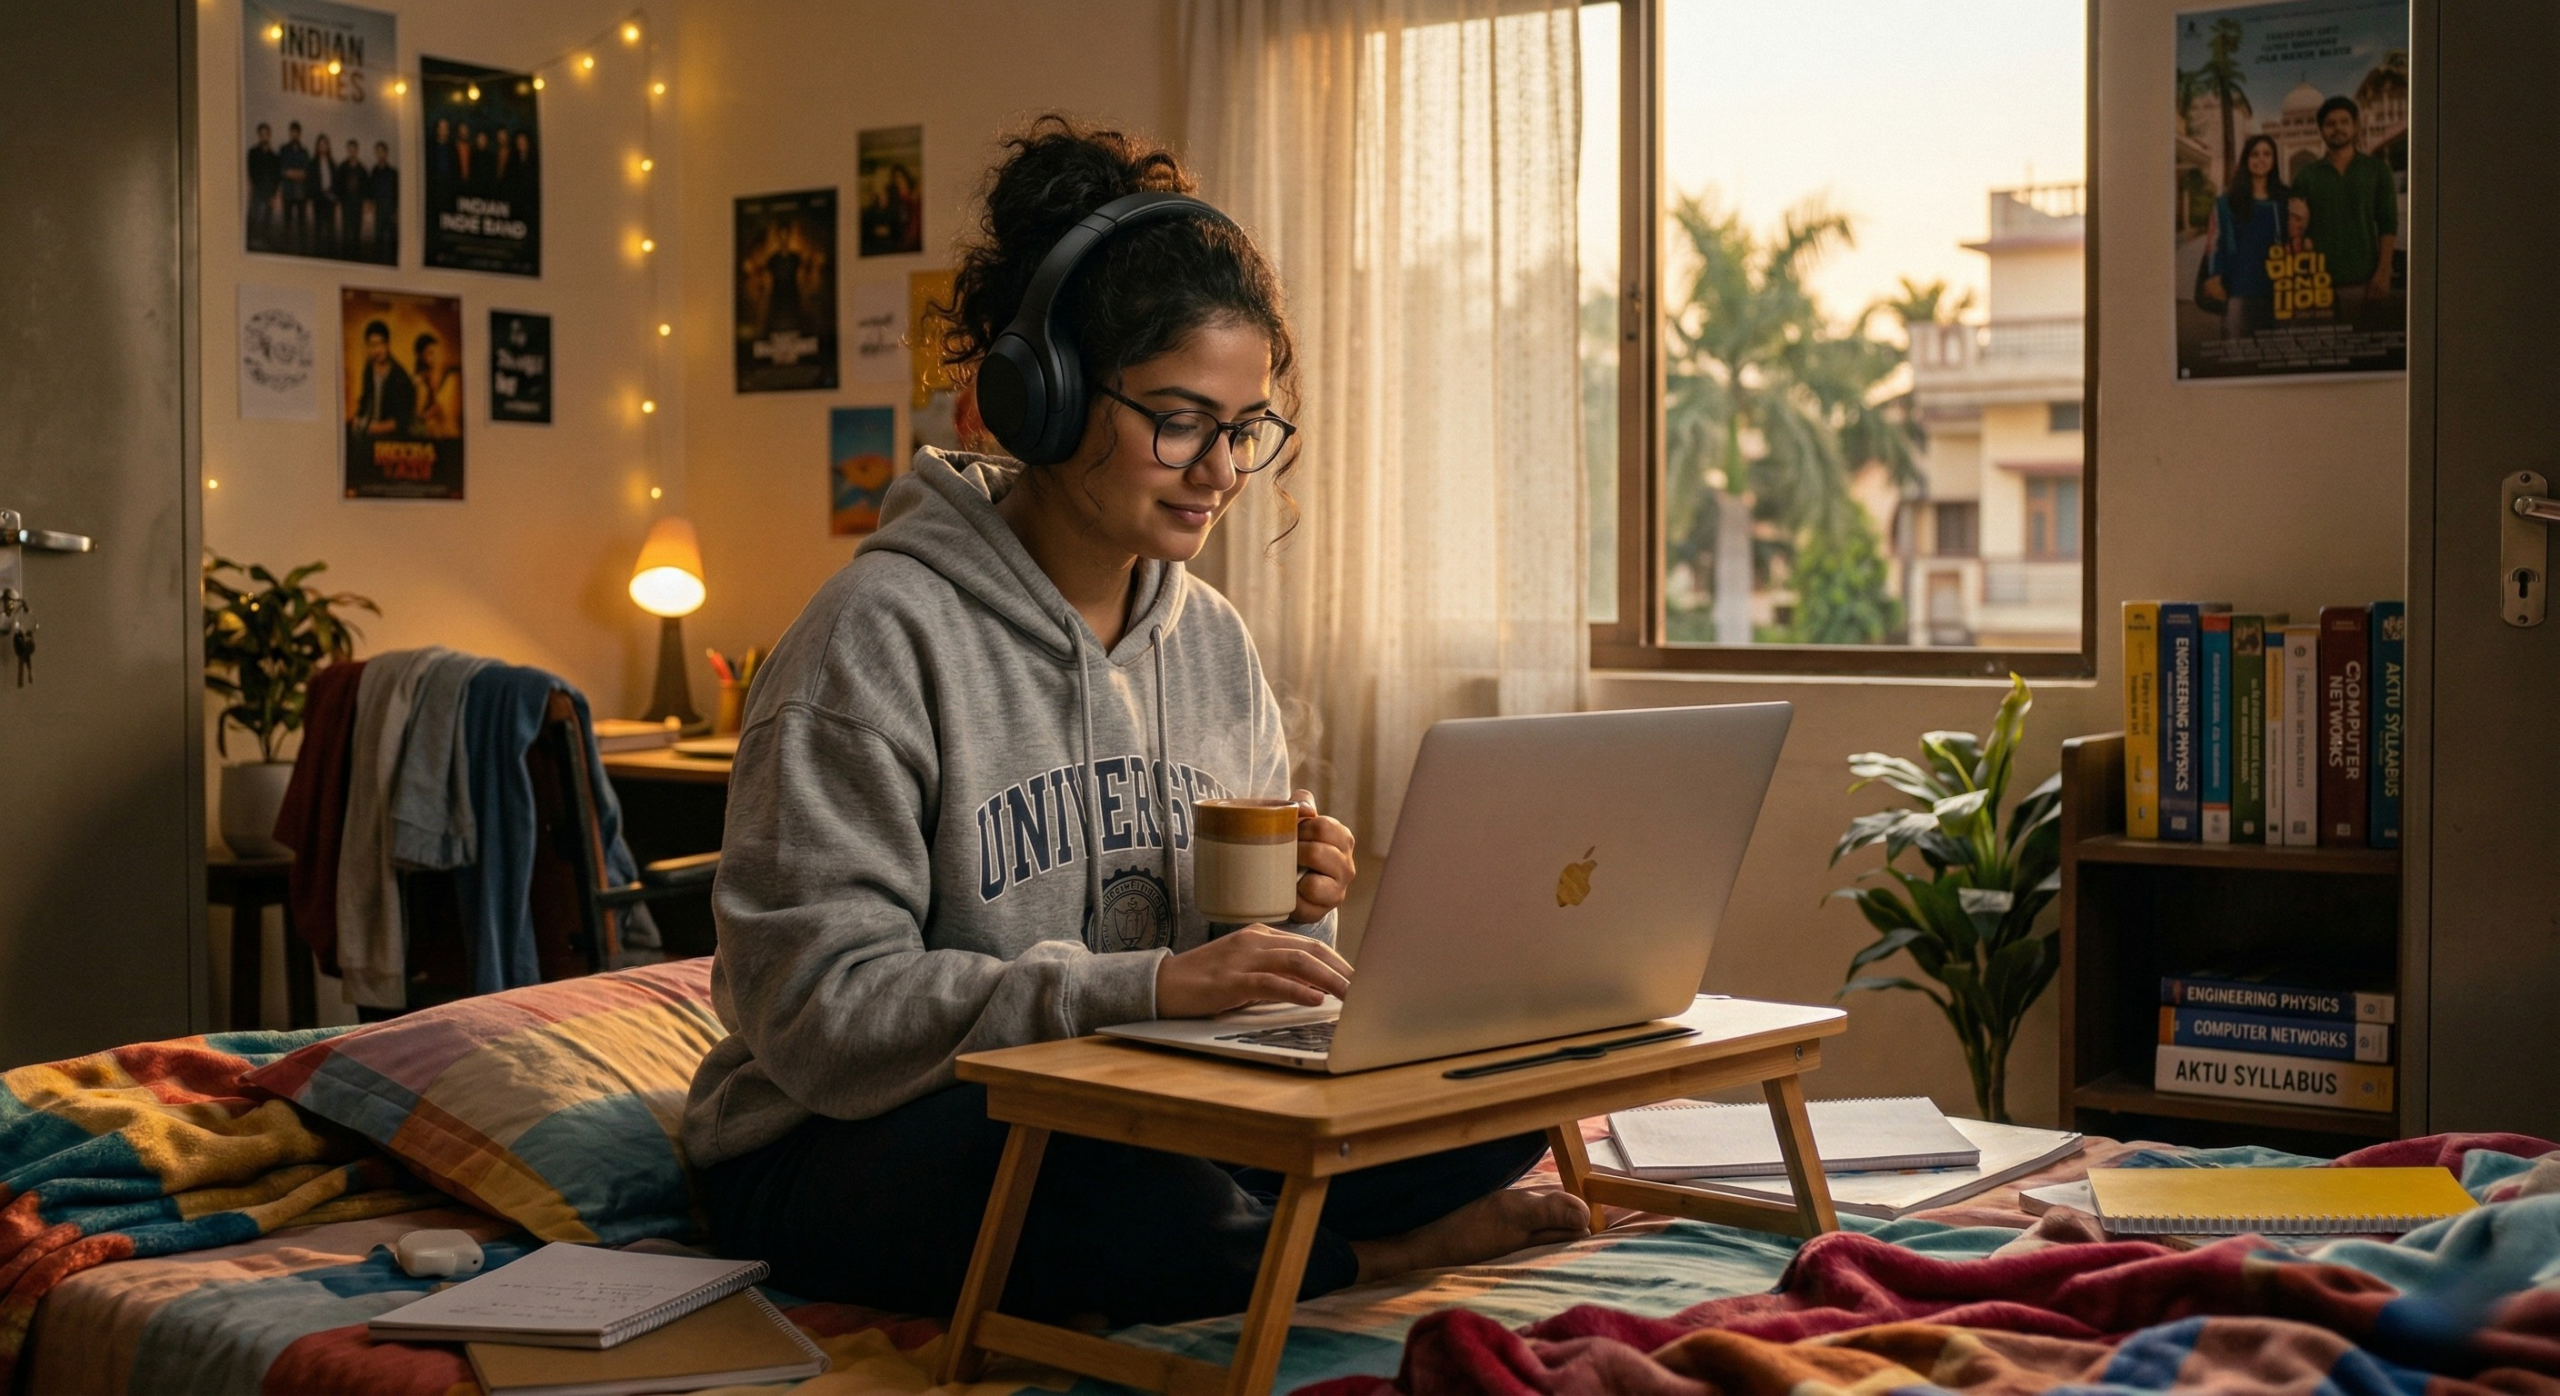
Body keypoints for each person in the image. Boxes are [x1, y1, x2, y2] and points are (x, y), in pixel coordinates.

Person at [685, 114, 1587, 1328]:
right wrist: (1146, 987)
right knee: (1107, 1177)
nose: (1218, 467)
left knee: (1499, 1084)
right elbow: (820, 1014)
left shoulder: (1210, 639)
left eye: (1244, 428)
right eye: (1177, 419)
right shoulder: (873, 637)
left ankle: (1264, 1229)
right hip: (849, 1137)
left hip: (1134, 1093)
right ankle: (1357, 1259)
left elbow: (1203, 965)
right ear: (1044, 400)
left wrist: (1276, 924)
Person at [2291, 95, 2398, 317]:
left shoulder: (2376, 170)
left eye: (2344, 122)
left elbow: (2388, 224)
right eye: (2330, 124)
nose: (2337, 128)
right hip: (2318, 284)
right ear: (2321, 130)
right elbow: (2294, 228)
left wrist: (2384, 272)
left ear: (2355, 126)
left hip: (2366, 282)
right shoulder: (2307, 176)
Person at [2204, 135, 2286, 337]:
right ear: (2245, 160)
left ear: (2274, 160)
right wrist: (2214, 276)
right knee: (2238, 354)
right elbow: (2215, 243)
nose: (2260, 160)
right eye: (2254, 154)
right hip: (2238, 291)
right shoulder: (2226, 203)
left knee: (2275, 357)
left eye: (2267, 154)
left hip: (2279, 292)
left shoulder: (2286, 199)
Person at [350, 319, 416, 437]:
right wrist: (358, 417)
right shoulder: (369, 368)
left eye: (381, 344)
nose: (377, 350)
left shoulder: (400, 377)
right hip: (369, 428)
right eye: (373, 345)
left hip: (391, 438)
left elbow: (402, 421)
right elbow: (365, 399)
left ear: (387, 344)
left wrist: (376, 428)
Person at [414, 333, 458, 437]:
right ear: (421, 357)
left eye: (437, 352)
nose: (435, 357)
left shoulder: (450, 375)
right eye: (430, 353)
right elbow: (418, 415)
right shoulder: (420, 381)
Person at [277, 122, 312, 254]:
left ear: (299, 134)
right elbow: (283, 171)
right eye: (292, 132)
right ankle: (287, 249)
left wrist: (294, 173)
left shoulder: (304, 152)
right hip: (288, 192)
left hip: (301, 193)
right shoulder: (284, 150)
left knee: (302, 223)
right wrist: (295, 174)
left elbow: (306, 172)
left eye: (296, 132)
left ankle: (302, 250)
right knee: (287, 222)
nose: (294, 134)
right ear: (289, 133)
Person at [246, 122, 280, 249]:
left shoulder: (274, 157)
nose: (264, 137)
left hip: (270, 192)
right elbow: (252, 172)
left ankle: (266, 244)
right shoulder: (253, 153)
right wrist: (256, 189)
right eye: (262, 134)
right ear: (259, 136)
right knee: (254, 217)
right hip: (257, 191)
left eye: (266, 134)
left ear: (269, 136)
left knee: (267, 219)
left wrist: (274, 194)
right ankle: (252, 243)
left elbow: (277, 177)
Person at [367, 141, 398, 260]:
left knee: (392, 240)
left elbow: (396, 193)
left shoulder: (393, 173)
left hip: (391, 210)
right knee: (378, 239)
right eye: (377, 152)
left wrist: (396, 211)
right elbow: (370, 191)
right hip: (378, 210)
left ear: (386, 153)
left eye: (382, 152)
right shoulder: (374, 172)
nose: (380, 154)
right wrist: (371, 206)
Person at [310, 134, 337, 257]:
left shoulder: (332, 163)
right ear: (317, 146)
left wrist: (333, 196)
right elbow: (312, 183)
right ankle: (318, 256)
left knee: (331, 229)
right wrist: (321, 194)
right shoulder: (313, 163)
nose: (322, 147)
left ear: (328, 146)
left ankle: (331, 256)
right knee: (318, 228)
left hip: (330, 201)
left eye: (325, 144)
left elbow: (336, 182)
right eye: (320, 144)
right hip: (318, 200)